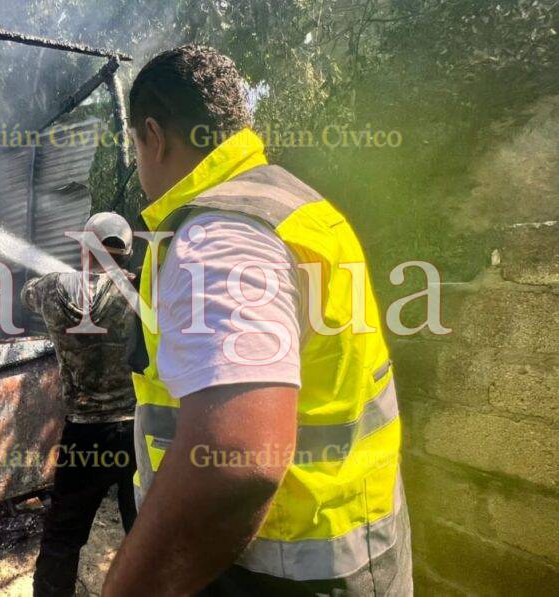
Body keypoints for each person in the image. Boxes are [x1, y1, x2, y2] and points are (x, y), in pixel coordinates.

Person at [103, 45, 412, 596]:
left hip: (273, 574)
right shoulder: (292, 206)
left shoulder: (219, 235)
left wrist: (127, 588)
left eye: (135, 145)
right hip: (353, 550)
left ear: (153, 136)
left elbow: (238, 457)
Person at [22, 212, 138, 597]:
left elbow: (26, 295)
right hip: (137, 430)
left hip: (85, 434)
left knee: (63, 535)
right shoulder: (141, 291)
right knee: (143, 528)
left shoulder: (51, 287)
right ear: (126, 251)